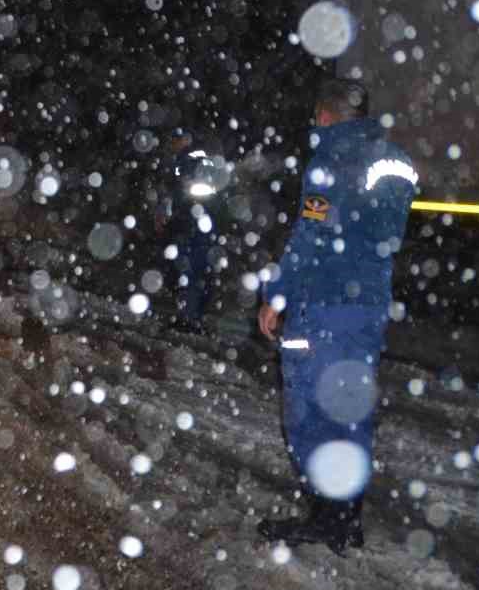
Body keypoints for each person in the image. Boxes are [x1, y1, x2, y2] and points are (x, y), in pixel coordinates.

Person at [256, 78, 416, 553]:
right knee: (349, 409)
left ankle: (328, 515)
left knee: (309, 409)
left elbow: (309, 239)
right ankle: (347, 516)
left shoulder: (329, 160)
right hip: (366, 306)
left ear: (325, 115)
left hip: (322, 305)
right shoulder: (395, 161)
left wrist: (276, 295)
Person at [157, 129, 225, 333]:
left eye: (176, 140)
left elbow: (197, 193)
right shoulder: (182, 161)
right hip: (192, 224)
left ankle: (191, 318)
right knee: (191, 271)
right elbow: (173, 192)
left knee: (191, 270)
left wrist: (184, 212)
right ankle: (191, 315)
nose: (173, 144)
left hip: (195, 226)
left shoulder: (195, 159)